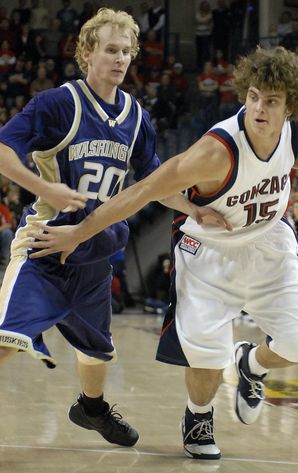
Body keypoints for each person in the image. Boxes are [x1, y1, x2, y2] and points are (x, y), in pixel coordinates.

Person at [27, 46, 298, 460]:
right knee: (205, 354)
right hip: (209, 249)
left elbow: (290, 153)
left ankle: (250, 365)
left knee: (296, 347)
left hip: (268, 241)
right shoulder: (214, 152)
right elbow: (143, 190)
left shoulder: (297, 128)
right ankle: (199, 415)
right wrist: (79, 231)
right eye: (253, 96)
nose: (259, 107)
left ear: (290, 107)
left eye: (271, 101)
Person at [0, 8, 227, 448]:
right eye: (110, 49)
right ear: (86, 53)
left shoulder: (137, 118)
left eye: (126, 51)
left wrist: (193, 210)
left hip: (95, 254)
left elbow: (154, 183)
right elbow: (3, 149)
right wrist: (44, 184)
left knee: (96, 351)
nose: (120, 59)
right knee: (8, 339)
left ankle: (92, 409)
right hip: (46, 247)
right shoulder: (57, 104)